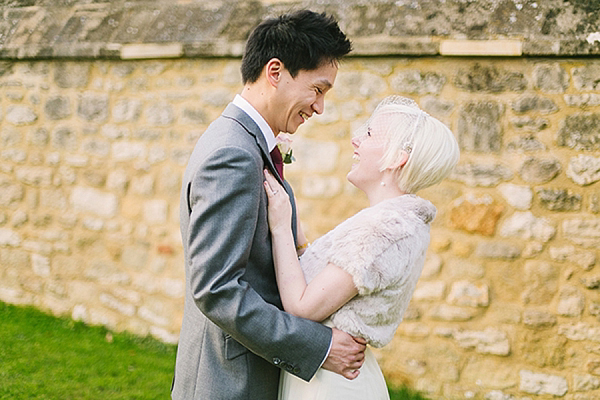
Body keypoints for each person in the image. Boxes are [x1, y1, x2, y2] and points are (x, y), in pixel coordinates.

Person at [171, 9, 366, 400]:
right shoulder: (233, 154)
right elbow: (217, 289)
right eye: (318, 89)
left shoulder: (244, 141)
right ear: (275, 72)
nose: (320, 107)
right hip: (228, 381)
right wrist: (320, 345)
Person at [263, 96, 460, 399]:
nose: (356, 140)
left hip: (330, 386)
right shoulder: (399, 222)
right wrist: (297, 234)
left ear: (396, 159)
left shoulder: (382, 229)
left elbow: (302, 307)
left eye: (368, 134)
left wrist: (279, 227)